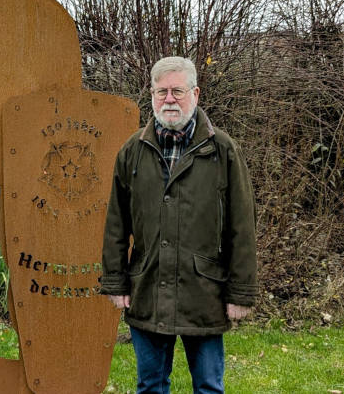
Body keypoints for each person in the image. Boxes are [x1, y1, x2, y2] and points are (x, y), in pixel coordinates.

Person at [100, 56, 258, 394]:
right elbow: (116, 223)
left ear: (195, 93)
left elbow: (241, 228)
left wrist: (240, 292)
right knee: (151, 385)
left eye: (177, 91)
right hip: (148, 287)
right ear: (152, 95)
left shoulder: (223, 151)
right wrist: (116, 282)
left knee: (208, 386)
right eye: (161, 92)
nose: (169, 99)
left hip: (204, 292)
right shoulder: (133, 151)